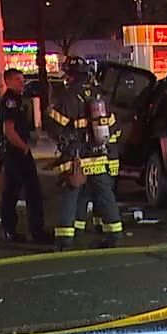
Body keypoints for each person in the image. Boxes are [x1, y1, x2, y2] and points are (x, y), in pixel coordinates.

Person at [46, 57, 122, 252]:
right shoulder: (99, 96)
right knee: (104, 195)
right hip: (99, 155)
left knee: (70, 194)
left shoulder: (68, 96)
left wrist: (65, 139)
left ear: (70, 75)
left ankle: (64, 240)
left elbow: (54, 126)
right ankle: (114, 234)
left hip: (77, 157)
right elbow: (114, 127)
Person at [0, 68, 49, 244]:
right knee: (29, 191)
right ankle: (34, 231)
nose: (22, 82)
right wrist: (23, 147)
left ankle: (12, 230)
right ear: (9, 81)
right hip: (16, 152)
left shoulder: (16, 99)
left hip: (15, 152)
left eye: (22, 79)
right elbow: (9, 130)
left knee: (13, 192)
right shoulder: (10, 101)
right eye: (18, 80)